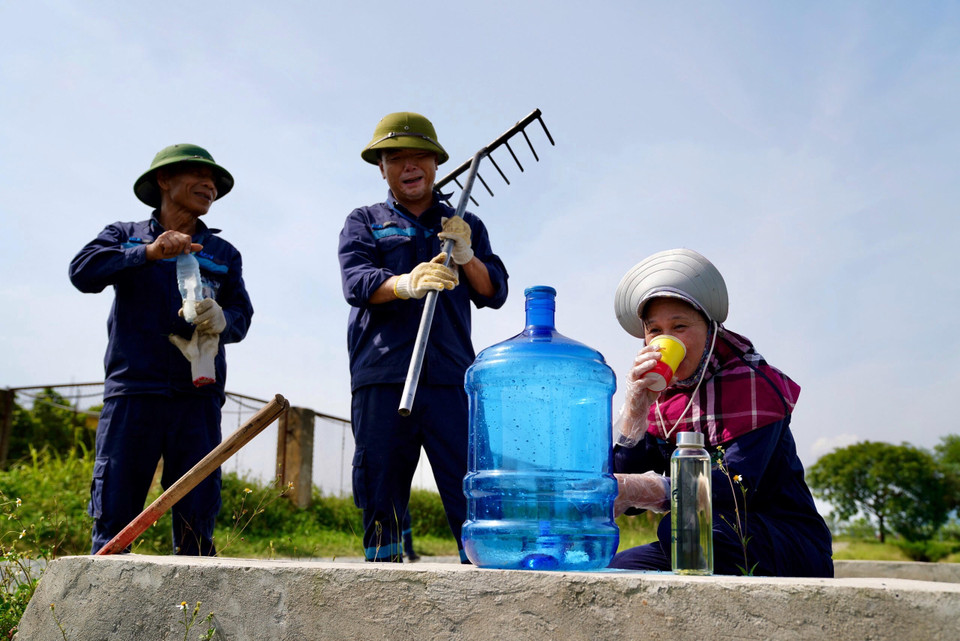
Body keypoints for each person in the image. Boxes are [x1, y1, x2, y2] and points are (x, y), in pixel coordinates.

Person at [338, 112, 509, 562]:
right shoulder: (365, 221)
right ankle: (383, 574)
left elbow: (494, 291)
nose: (409, 166)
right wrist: (406, 284)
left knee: (466, 484)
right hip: (384, 373)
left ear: (436, 164)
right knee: (380, 484)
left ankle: (480, 573)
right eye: (396, 158)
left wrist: (467, 256)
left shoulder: (461, 222)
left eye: (420, 157)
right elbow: (356, 282)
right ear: (382, 167)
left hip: (450, 376)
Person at [70, 144, 254, 555]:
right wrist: (149, 253)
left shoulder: (224, 254)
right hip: (134, 390)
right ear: (164, 181)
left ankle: (193, 608)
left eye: (215, 182)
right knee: (117, 501)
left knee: (196, 509)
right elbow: (82, 272)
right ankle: (105, 602)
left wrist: (223, 320)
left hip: (198, 393)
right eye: (197, 175)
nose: (209, 185)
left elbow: (242, 314)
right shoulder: (125, 235)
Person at [609, 248, 833, 576]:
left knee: (683, 526)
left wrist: (657, 490)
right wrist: (634, 410)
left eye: (680, 326)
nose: (665, 339)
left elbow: (740, 483)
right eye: (655, 330)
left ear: (711, 331)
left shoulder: (752, 386)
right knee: (620, 567)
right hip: (694, 535)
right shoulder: (663, 400)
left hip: (779, 536)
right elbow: (623, 489)